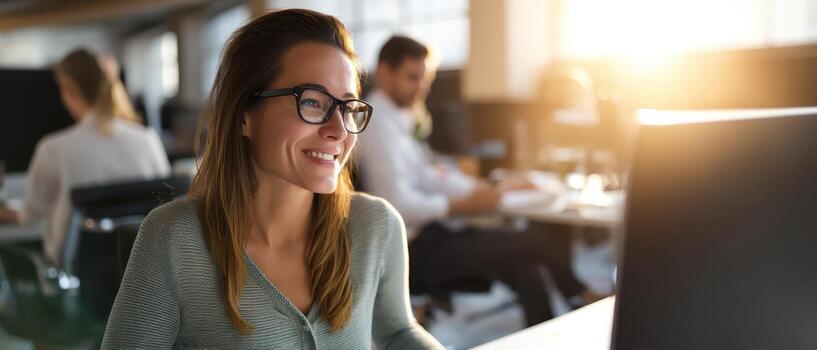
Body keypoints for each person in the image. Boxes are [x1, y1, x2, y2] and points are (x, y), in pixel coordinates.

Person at [102, 9, 444, 349]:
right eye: (312, 102)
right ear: (244, 115)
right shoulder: (174, 240)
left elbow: (398, 332)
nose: (339, 130)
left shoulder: (376, 226)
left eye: (348, 107)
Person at [357, 36, 587, 326]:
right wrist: (459, 204)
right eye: (413, 78)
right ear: (385, 72)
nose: (422, 88)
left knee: (526, 267)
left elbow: (429, 175)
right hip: (411, 251)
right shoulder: (376, 123)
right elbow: (398, 205)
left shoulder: (398, 117)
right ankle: (584, 296)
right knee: (538, 240)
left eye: (425, 79)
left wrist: (486, 189)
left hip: (433, 235)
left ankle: (552, 327)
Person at [0, 48, 170, 266]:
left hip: (76, 279)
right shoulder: (148, 140)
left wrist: (5, 213)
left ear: (68, 89)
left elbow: (30, 215)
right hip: (145, 272)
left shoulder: (54, 149)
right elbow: (166, 206)